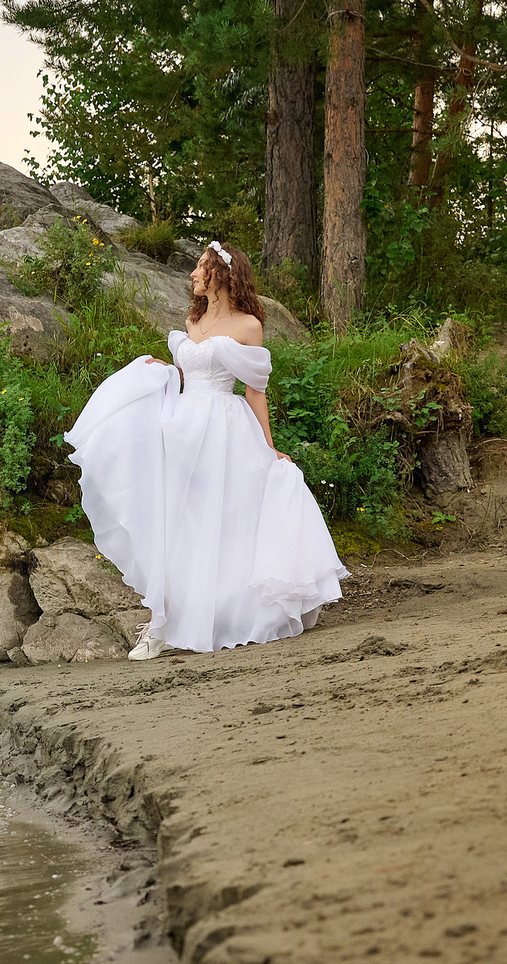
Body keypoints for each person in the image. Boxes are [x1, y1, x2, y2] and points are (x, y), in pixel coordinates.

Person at [65, 241, 348, 659]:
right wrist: (165, 370)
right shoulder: (191, 321)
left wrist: (270, 449)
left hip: (226, 430)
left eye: (201, 267)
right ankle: (165, 621)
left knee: (226, 523)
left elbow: (255, 391)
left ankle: (224, 615)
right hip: (183, 428)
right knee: (178, 521)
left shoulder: (248, 326)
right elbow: (188, 371)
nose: (194, 274)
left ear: (222, 275)